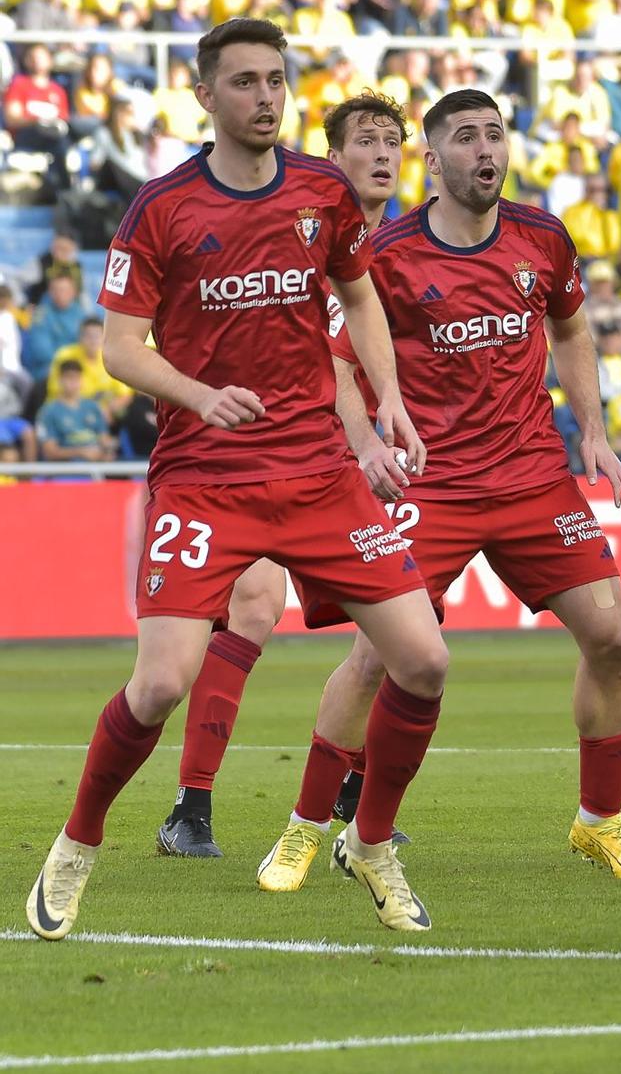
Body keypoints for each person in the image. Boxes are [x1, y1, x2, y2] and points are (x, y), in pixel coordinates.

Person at [27, 19, 448, 941]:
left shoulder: (321, 190)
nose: (266, 97)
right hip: (206, 475)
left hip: (316, 470)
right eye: (247, 82)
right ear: (205, 97)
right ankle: (78, 839)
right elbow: (118, 350)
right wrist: (200, 394)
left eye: (276, 80)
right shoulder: (161, 207)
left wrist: (387, 398)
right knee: (160, 684)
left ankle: (369, 841)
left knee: (424, 660)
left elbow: (361, 293)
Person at [255, 87, 621, 895]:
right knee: (379, 657)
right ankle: (306, 826)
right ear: (432, 161)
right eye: (466, 138)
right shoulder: (390, 253)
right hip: (432, 482)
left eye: (495, 135)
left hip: (533, 473)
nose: (486, 150)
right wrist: (366, 443)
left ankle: (600, 821)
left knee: (612, 639)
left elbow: (571, 328)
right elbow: (336, 361)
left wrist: (597, 430)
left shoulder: (544, 237)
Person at [154, 91, 411, 859]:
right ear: (332, 158)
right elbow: (323, 358)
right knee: (257, 603)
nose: (381, 154)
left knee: (395, 634)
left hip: (353, 466)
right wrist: (363, 433)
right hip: (272, 450)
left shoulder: (404, 244)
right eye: (365, 141)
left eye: (393, 141)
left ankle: (355, 791)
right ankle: (191, 805)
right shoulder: (297, 225)